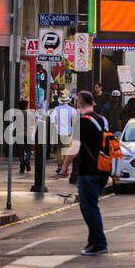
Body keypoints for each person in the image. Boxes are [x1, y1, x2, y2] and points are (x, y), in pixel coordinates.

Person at [57, 91, 110, 256]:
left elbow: (74, 147)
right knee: (87, 206)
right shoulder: (102, 120)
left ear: (79, 103)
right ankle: (92, 241)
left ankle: (99, 243)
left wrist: (65, 165)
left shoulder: (81, 122)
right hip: (103, 170)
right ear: (93, 102)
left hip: (88, 171)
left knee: (90, 207)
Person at [51, 94, 75, 172]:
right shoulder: (71, 109)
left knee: (59, 149)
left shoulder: (56, 109)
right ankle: (65, 165)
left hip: (58, 132)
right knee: (67, 149)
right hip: (68, 132)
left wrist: (55, 126)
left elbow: (51, 119)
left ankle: (60, 165)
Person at [14, 99, 31, 173]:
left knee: (21, 151)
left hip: (19, 134)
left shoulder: (17, 114)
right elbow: (33, 123)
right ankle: (27, 161)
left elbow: (15, 124)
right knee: (28, 150)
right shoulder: (29, 114)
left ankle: (22, 167)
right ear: (26, 106)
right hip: (28, 134)